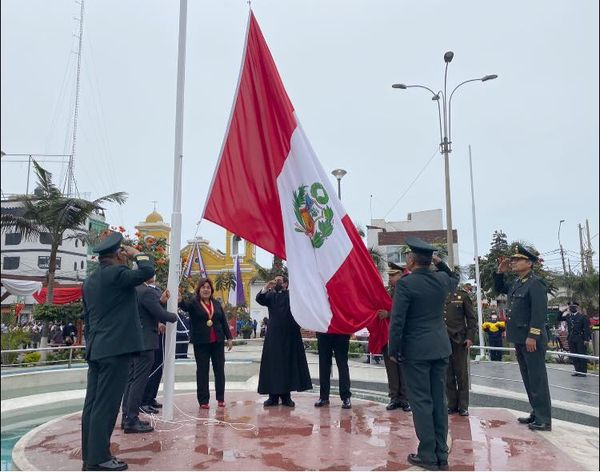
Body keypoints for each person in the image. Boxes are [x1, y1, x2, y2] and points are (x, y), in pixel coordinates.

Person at [81, 231, 155, 471]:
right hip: (115, 350)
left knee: (92, 405)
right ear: (116, 255)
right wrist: (138, 254)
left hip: (97, 348)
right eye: (122, 253)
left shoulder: (90, 281)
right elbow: (146, 272)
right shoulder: (117, 273)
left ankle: (91, 456)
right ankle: (98, 459)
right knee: (107, 405)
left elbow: (88, 318)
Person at [388, 237, 459, 470]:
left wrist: (394, 349)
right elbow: (454, 278)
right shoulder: (441, 280)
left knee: (421, 401)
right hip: (439, 348)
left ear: (411, 259)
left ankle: (428, 454)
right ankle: (442, 453)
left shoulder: (406, 285)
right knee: (439, 400)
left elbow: (397, 321)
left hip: (416, 351)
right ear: (430, 260)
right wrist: (441, 263)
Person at [495, 245, 552, 431]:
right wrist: (499, 273)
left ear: (529, 263)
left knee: (537, 378)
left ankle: (544, 418)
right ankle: (536, 412)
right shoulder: (518, 283)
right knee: (528, 377)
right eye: (513, 260)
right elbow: (499, 289)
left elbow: (539, 312)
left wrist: (532, 336)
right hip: (520, 337)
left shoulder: (536, 283)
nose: (513, 263)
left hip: (530, 339)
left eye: (518, 260)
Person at [121, 277, 177, 432]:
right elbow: (160, 313)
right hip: (145, 342)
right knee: (139, 381)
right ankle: (131, 419)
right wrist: (174, 316)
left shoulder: (134, 289)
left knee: (131, 380)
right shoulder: (146, 291)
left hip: (134, 341)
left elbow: (147, 310)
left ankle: (126, 417)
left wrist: (161, 301)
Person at [256, 275, 312, 407]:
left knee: (288, 365)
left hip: (289, 335)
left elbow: (304, 299)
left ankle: (287, 397)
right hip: (274, 337)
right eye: (276, 280)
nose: (278, 282)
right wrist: (266, 287)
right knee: (273, 365)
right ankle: (273, 397)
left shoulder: (292, 296)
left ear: (286, 284)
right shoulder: (270, 296)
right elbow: (259, 299)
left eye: (280, 280)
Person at [179, 278, 233, 409]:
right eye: (203, 287)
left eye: (208, 287)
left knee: (219, 370)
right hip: (201, 342)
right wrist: (179, 300)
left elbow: (223, 321)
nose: (206, 289)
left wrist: (229, 337)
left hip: (218, 342)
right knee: (202, 371)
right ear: (199, 290)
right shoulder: (193, 303)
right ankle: (203, 401)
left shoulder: (217, 303)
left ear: (211, 290)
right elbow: (184, 307)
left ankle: (220, 398)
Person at [377, 261, 411, 412]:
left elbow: (406, 311)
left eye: (393, 275)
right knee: (391, 368)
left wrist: (388, 314)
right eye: (389, 275)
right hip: (389, 333)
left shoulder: (406, 289)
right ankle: (394, 397)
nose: (390, 278)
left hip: (403, 335)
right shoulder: (389, 291)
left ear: (400, 274)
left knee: (403, 367)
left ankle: (404, 398)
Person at [444, 286, 477, 416]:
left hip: (459, 338)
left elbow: (471, 318)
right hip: (443, 338)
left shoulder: (462, 295)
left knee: (461, 373)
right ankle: (451, 404)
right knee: (448, 373)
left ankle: (463, 406)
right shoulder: (439, 293)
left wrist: (470, 337)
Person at [562, 302, 592, 377]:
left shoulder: (582, 317)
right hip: (571, 338)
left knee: (581, 354)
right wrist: (563, 310)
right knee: (574, 355)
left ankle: (583, 372)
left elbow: (586, 329)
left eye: (573, 307)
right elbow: (558, 318)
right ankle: (577, 370)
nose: (571, 308)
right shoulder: (568, 316)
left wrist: (586, 339)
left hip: (580, 338)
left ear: (577, 308)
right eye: (570, 307)